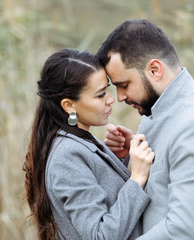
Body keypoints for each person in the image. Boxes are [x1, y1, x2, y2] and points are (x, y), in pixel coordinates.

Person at [96, 19, 194, 239]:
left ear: (154, 70)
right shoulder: (159, 108)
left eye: (124, 85)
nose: (120, 97)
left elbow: (183, 230)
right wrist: (130, 158)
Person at [23, 48, 155, 240]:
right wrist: (137, 179)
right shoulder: (66, 156)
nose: (111, 99)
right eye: (100, 95)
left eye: (107, 89)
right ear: (69, 105)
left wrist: (124, 157)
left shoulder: (79, 141)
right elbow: (99, 236)